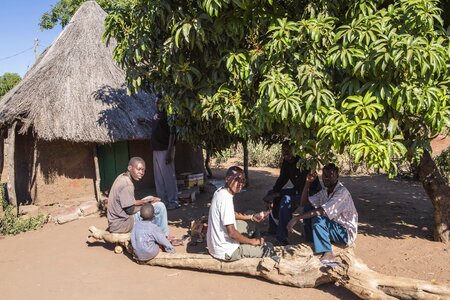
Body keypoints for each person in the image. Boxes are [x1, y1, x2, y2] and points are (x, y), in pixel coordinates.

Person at [287, 163, 358, 263]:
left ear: (337, 176)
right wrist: (308, 183)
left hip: (345, 233)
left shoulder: (342, 192)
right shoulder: (325, 191)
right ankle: (310, 241)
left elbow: (321, 211)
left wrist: (296, 218)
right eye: (324, 175)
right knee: (308, 208)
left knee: (318, 218)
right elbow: (304, 203)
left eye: (331, 175)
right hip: (333, 227)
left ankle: (327, 253)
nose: (326, 178)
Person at [207, 166, 274, 261]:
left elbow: (231, 214)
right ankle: (255, 244)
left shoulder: (220, 191)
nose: (240, 184)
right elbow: (232, 233)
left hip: (215, 246)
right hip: (226, 251)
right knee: (269, 247)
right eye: (237, 179)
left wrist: (252, 217)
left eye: (242, 180)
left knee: (251, 214)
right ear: (227, 179)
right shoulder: (225, 198)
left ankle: (256, 241)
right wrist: (251, 242)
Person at [263, 141, 321, 245]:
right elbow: (282, 179)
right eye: (283, 151)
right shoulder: (286, 162)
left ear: (295, 151)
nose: (286, 153)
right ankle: (274, 229)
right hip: (298, 190)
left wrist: (278, 194)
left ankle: (282, 238)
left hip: (311, 194)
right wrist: (273, 193)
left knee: (286, 200)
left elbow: (305, 188)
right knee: (272, 194)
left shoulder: (302, 162)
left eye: (288, 150)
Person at [106, 157, 169, 237]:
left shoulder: (122, 177)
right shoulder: (127, 184)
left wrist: (145, 201)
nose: (141, 172)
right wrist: (148, 205)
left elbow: (127, 203)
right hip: (122, 224)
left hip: (115, 223)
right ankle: (163, 237)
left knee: (150, 197)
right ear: (130, 168)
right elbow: (130, 210)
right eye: (139, 169)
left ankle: (155, 234)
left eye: (143, 170)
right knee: (160, 206)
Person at [151, 94, 180, 211]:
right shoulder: (156, 116)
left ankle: (173, 202)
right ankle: (162, 202)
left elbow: (172, 135)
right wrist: (146, 122)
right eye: (156, 102)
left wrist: (169, 153)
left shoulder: (169, 116)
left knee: (168, 177)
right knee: (159, 178)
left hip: (165, 150)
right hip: (156, 149)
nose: (157, 104)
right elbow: (157, 129)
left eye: (159, 102)